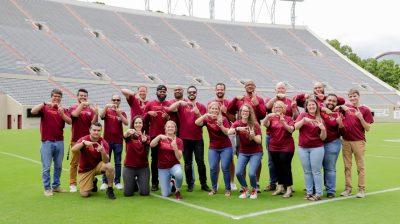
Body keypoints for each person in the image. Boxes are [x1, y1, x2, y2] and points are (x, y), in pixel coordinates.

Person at [169, 86, 210, 192]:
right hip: (184, 138)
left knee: (200, 162)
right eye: (190, 92)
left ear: (196, 93)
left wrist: (198, 113)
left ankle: (203, 183)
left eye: (194, 92)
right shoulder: (183, 104)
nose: (192, 93)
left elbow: (202, 123)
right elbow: (170, 108)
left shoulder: (201, 106)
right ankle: (190, 184)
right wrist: (179, 102)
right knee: (188, 163)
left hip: (198, 139)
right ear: (187, 93)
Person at [31, 89, 72, 196]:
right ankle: (47, 188)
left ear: (61, 98)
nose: (57, 98)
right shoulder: (45, 107)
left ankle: (56, 186)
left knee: (58, 166)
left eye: (59, 96)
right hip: (47, 142)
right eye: (55, 96)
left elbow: (70, 121)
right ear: (51, 97)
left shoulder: (63, 109)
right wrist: (44, 103)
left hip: (59, 141)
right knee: (46, 167)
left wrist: (62, 113)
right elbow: (33, 111)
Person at [227, 80, 266, 192]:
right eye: (248, 85)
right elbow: (229, 110)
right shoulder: (240, 99)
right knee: (241, 156)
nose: (250, 87)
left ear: (255, 87)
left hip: (255, 128)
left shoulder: (259, 99)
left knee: (258, 157)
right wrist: (235, 99)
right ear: (245, 87)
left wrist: (257, 104)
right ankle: (243, 184)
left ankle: (256, 183)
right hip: (241, 131)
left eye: (252, 85)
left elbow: (263, 115)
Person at [339, 89, 373, 198]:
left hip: (358, 141)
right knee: (347, 166)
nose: (353, 98)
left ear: (358, 96)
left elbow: (368, 128)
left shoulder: (365, 110)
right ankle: (348, 189)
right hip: (346, 141)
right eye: (350, 96)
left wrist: (361, 118)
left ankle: (361, 189)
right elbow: (335, 108)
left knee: (360, 167)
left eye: (354, 96)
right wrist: (342, 106)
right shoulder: (346, 108)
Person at [264, 82, 298, 192]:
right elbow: (267, 107)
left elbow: (295, 118)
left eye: (283, 88)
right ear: (275, 89)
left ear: (285, 90)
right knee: (273, 162)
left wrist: (293, 108)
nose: (281, 90)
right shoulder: (272, 99)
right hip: (272, 136)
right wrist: (276, 98)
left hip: (285, 138)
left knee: (285, 163)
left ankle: (287, 185)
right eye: (279, 88)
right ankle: (274, 183)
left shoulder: (289, 102)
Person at [195, 102, 232, 196]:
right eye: (212, 108)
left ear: (219, 110)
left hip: (226, 147)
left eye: (216, 109)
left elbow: (227, 132)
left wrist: (221, 126)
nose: (214, 110)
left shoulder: (223, 119)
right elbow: (197, 123)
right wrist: (204, 115)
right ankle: (214, 188)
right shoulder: (207, 119)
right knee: (212, 168)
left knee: (225, 168)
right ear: (209, 109)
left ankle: (228, 189)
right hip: (213, 147)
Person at [70, 122, 116, 199]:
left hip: (98, 166)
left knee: (109, 166)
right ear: (90, 130)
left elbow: (106, 161)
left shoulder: (103, 142)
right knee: (84, 194)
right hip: (85, 169)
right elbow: (73, 150)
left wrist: (102, 151)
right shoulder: (84, 139)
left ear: (101, 131)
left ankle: (110, 189)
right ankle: (93, 181)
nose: (96, 132)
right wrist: (83, 143)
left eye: (98, 130)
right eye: (94, 130)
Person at [228, 104, 263, 199]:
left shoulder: (255, 125)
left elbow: (259, 141)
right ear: (240, 112)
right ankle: (246, 190)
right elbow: (228, 132)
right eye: (243, 111)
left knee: (252, 173)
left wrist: (253, 136)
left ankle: (254, 190)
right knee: (238, 172)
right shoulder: (237, 123)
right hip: (243, 152)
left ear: (250, 113)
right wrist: (237, 129)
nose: (244, 113)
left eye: (246, 111)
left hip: (256, 152)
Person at [295, 98, 327, 201]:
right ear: (306, 107)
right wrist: (304, 120)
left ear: (316, 106)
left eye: (313, 105)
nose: (311, 107)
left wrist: (323, 129)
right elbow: (295, 127)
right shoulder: (303, 115)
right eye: (309, 105)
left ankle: (318, 193)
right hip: (303, 148)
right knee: (307, 171)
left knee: (316, 171)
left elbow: (323, 138)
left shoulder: (320, 119)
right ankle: (309, 192)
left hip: (317, 148)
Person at [262, 100, 295, 198]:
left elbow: (291, 130)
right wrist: (268, 116)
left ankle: (289, 188)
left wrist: (283, 122)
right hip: (273, 147)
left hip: (286, 147)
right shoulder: (271, 119)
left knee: (285, 167)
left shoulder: (288, 118)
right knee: (277, 167)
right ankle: (280, 187)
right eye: (275, 107)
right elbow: (264, 124)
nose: (277, 109)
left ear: (283, 109)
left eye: (279, 107)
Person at [69, 89, 98, 193]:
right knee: (75, 163)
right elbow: (75, 115)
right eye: (81, 95)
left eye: (85, 96)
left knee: (89, 162)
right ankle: (72, 183)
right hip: (76, 140)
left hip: (88, 140)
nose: (83, 97)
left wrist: (96, 113)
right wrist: (82, 105)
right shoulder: (73, 107)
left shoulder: (90, 110)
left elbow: (93, 124)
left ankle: (92, 180)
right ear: (77, 97)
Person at [209, 83, 237, 191]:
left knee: (229, 160)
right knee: (215, 162)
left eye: (221, 89)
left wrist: (226, 112)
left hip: (228, 133)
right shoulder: (211, 103)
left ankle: (232, 182)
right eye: (218, 89)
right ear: (215, 90)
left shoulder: (229, 103)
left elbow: (234, 119)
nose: (220, 91)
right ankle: (216, 183)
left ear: (225, 90)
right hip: (215, 136)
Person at [144, 85, 171, 191]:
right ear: (156, 92)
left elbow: (173, 121)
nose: (162, 93)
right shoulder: (150, 104)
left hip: (166, 136)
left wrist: (168, 117)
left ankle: (167, 182)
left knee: (167, 159)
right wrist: (148, 113)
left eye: (164, 91)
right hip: (154, 136)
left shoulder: (169, 104)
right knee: (154, 160)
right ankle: (155, 182)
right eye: (160, 91)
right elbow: (143, 119)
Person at [99, 94, 128, 190]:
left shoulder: (122, 112)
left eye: (118, 100)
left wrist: (119, 113)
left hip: (118, 141)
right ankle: (104, 182)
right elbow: (101, 116)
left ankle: (117, 181)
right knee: (106, 161)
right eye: (114, 100)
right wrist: (106, 106)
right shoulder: (107, 110)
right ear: (111, 100)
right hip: (107, 140)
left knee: (118, 162)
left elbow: (126, 123)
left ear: (120, 102)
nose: (116, 101)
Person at [150, 121, 184, 200]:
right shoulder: (161, 138)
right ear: (165, 129)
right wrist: (158, 136)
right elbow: (151, 144)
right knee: (165, 194)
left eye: (172, 126)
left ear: (175, 129)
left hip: (174, 165)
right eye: (168, 127)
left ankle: (177, 190)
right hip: (162, 168)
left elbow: (179, 157)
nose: (170, 128)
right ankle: (172, 183)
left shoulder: (179, 141)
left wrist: (175, 147)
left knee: (179, 174)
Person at [321, 94, 343, 198]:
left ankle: (330, 190)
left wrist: (340, 124)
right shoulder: (319, 109)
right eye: (329, 100)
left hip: (332, 142)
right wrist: (323, 108)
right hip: (318, 142)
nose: (331, 102)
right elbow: (308, 104)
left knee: (329, 167)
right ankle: (316, 188)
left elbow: (343, 130)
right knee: (317, 167)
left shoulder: (339, 113)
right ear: (325, 100)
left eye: (334, 101)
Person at [123, 116, 150, 197]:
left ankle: (139, 182)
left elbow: (148, 144)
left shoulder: (146, 136)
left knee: (145, 193)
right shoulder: (129, 135)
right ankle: (133, 182)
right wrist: (128, 132)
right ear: (133, 124)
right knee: (128, 194)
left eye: (140, 123)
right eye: (136, 123)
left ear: (143, 124)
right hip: (129, 167)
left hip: (143, 168)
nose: (138, 124)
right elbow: (125, 135)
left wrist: (144, 141)